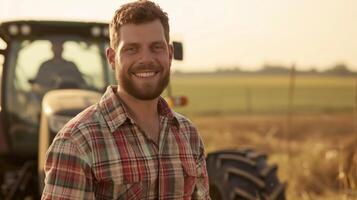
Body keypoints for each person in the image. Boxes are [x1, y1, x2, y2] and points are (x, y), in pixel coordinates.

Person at [41, 1, 210, 199]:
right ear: (112, 58)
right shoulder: (77, 142)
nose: (145, 59)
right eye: (132, 49)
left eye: (156, 47)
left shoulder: (188, 135)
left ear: (170, 54)